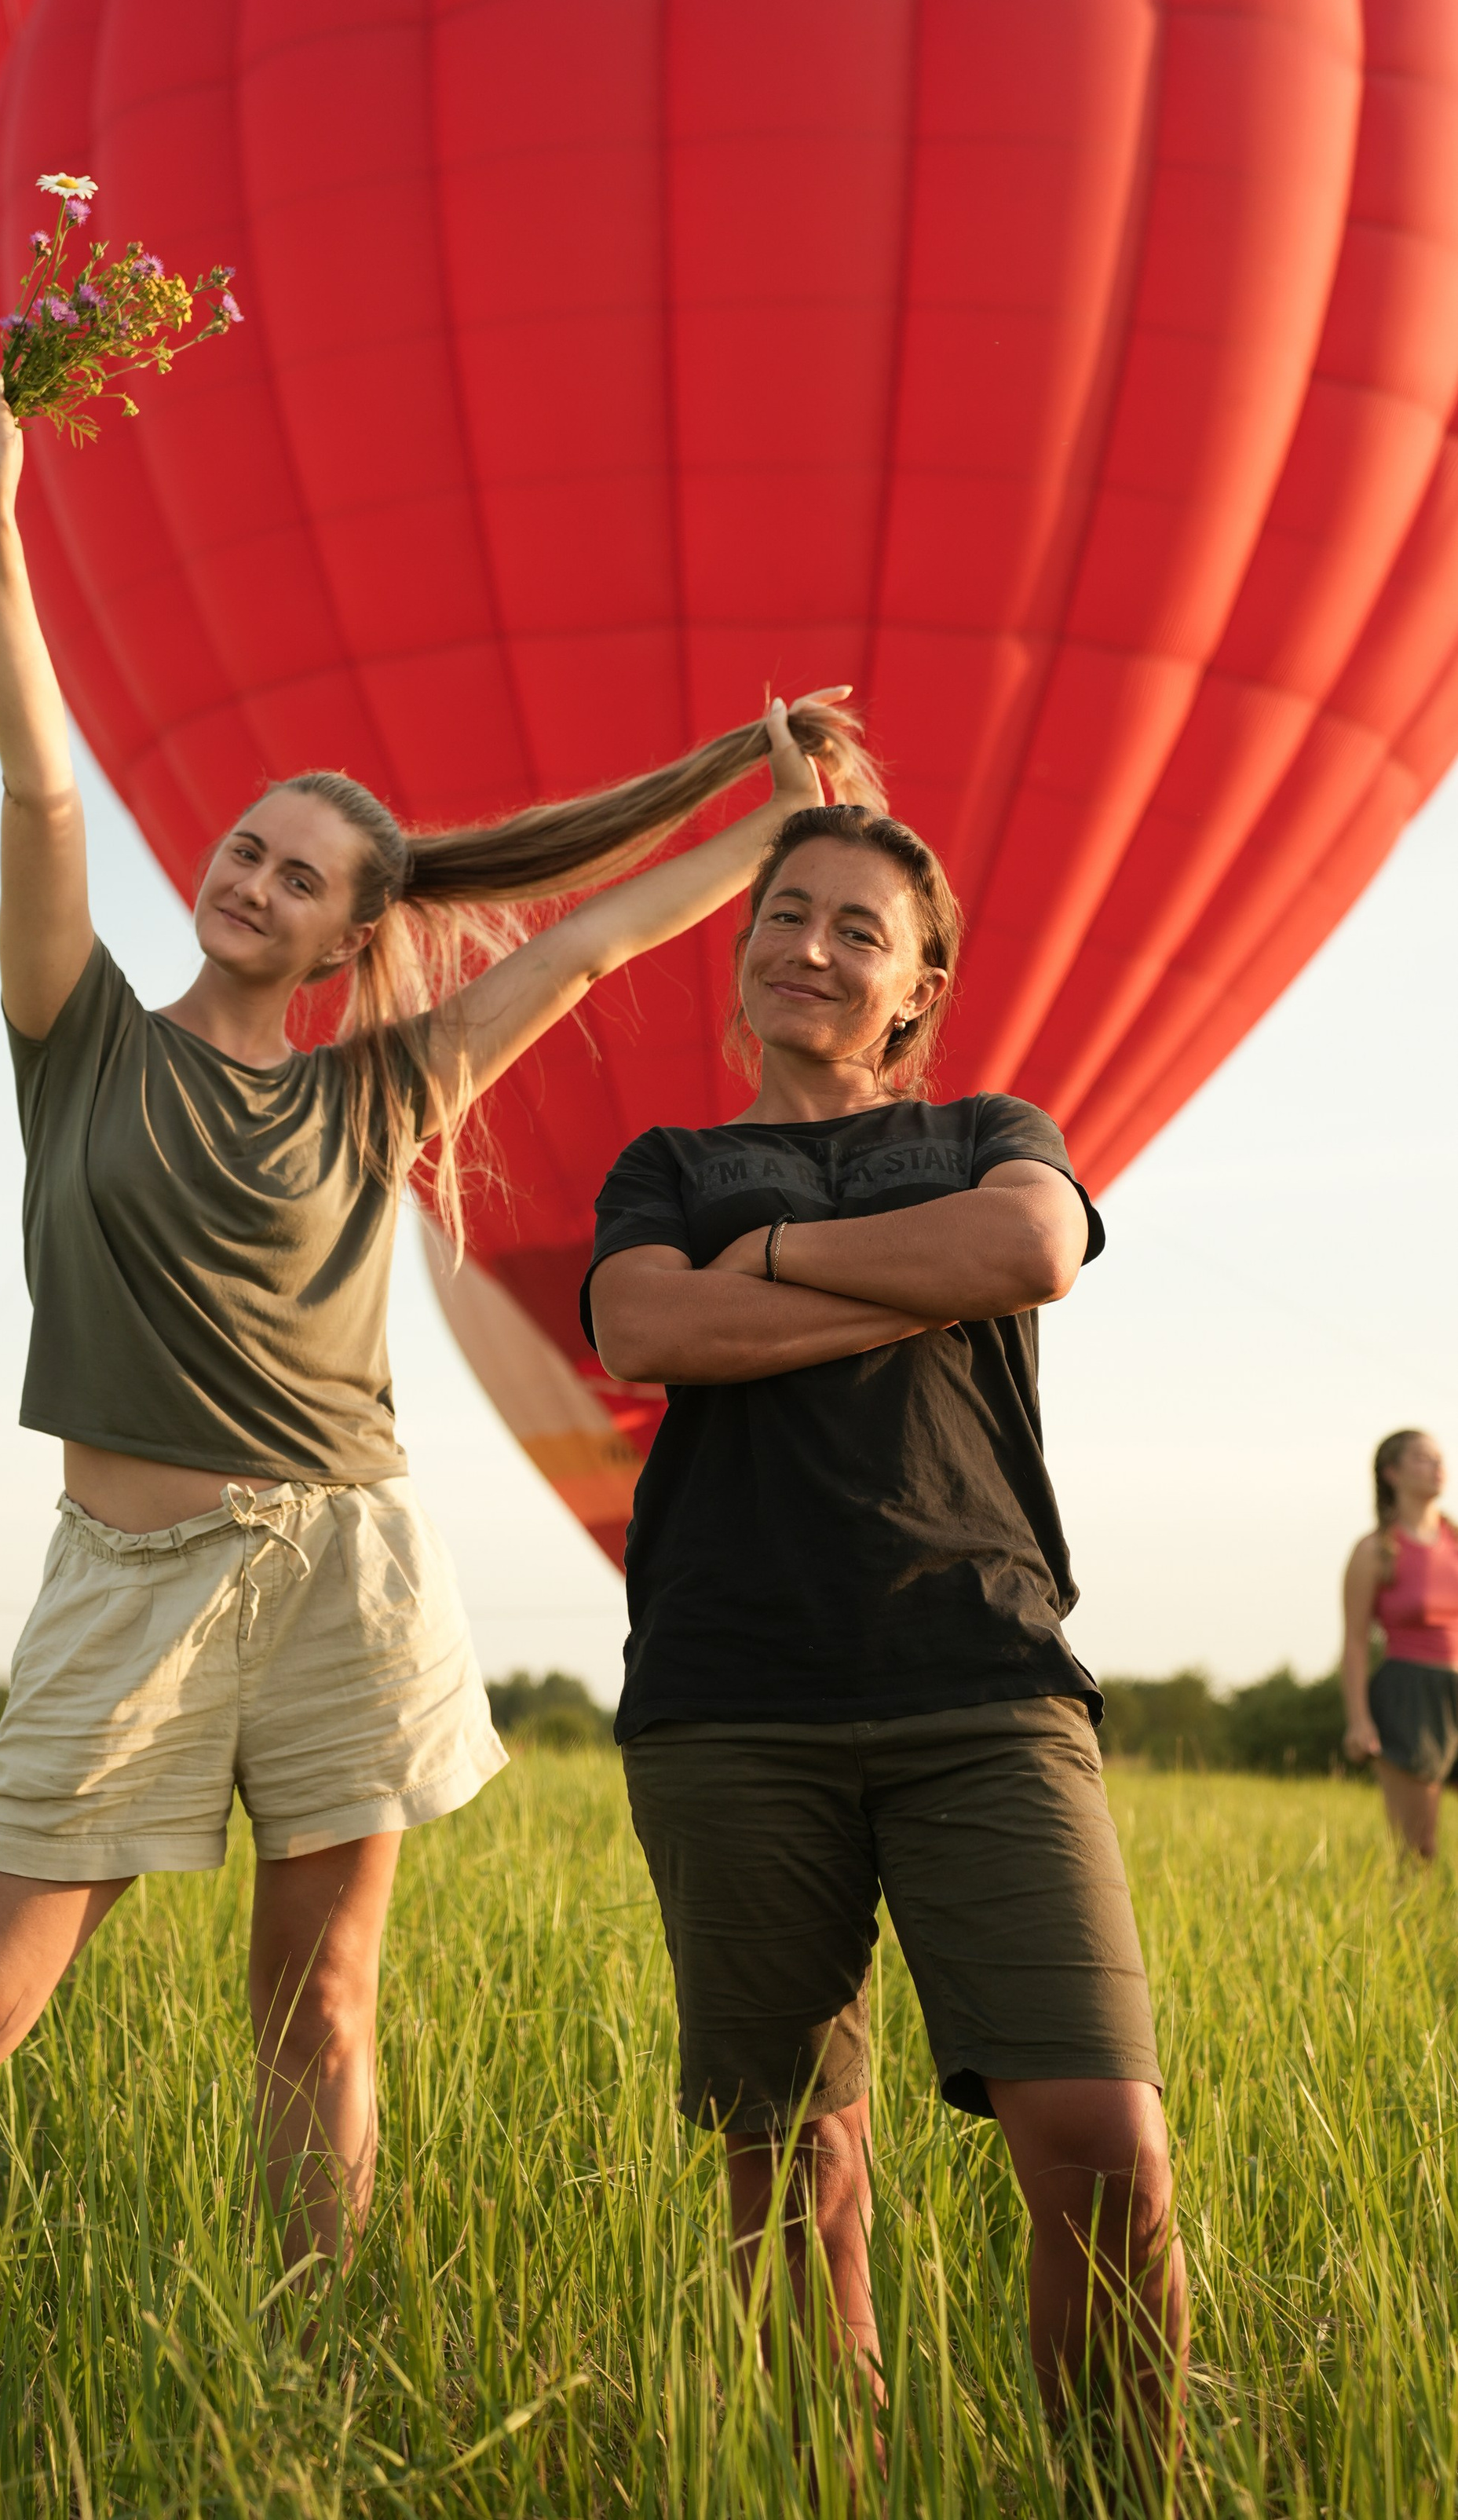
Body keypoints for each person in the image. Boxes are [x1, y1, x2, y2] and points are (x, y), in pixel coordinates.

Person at [0, 369, 871, 2390]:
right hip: (130, 1587)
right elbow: (42, 794)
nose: (251, 878)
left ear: (343, 941)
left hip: (349, 1569)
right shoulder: (78, 1034)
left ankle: (301, 2388)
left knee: (320, 2009)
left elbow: (584, 946)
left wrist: (777, 826)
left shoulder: (379, 1087)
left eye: (298, 877)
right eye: (244, 848)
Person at [583, 796, 1189, 2446]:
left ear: (918, 986)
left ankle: (1115, 2488)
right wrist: (906, 1285)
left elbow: (1031, 1247)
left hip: (981, 1673)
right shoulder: (668, 1167)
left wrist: (770, 1260)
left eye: (860, 929)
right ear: (742, 943)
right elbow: (645, 1329)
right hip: (730, 1693)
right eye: (785, 913)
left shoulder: (989, 1129)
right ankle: (828, 2477)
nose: (812, 946)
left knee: (1103, 2143)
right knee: (794, 2163)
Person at [1343, 1429, 1458, 1859]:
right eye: (1422, 1458)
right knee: (1418, 1849)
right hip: (1408, 1695)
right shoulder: (1374, 1551)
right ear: (1392, 1473)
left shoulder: (1455, 1542)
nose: (1438, 1465)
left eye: (1439, 1457)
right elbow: (1355, 1644)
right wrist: (1359, 1721)